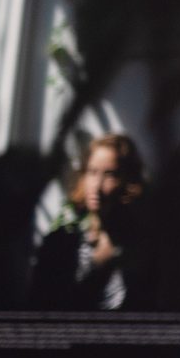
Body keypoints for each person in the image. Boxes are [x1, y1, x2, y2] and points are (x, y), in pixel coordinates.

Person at [30, 131, 153, 310]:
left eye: (109, 174)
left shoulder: (141, 245)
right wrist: (99, 266)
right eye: (92, 172)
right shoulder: (60, 241)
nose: (97, 185)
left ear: (127, 179)